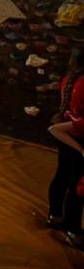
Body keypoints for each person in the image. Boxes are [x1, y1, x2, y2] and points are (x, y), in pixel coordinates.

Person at [47, 48, 84, 249]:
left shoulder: (70, 79)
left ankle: (56, 216)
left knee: (63, 176)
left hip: (67, 133)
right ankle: (73, 230)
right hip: (76, 135)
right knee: (77, 185)